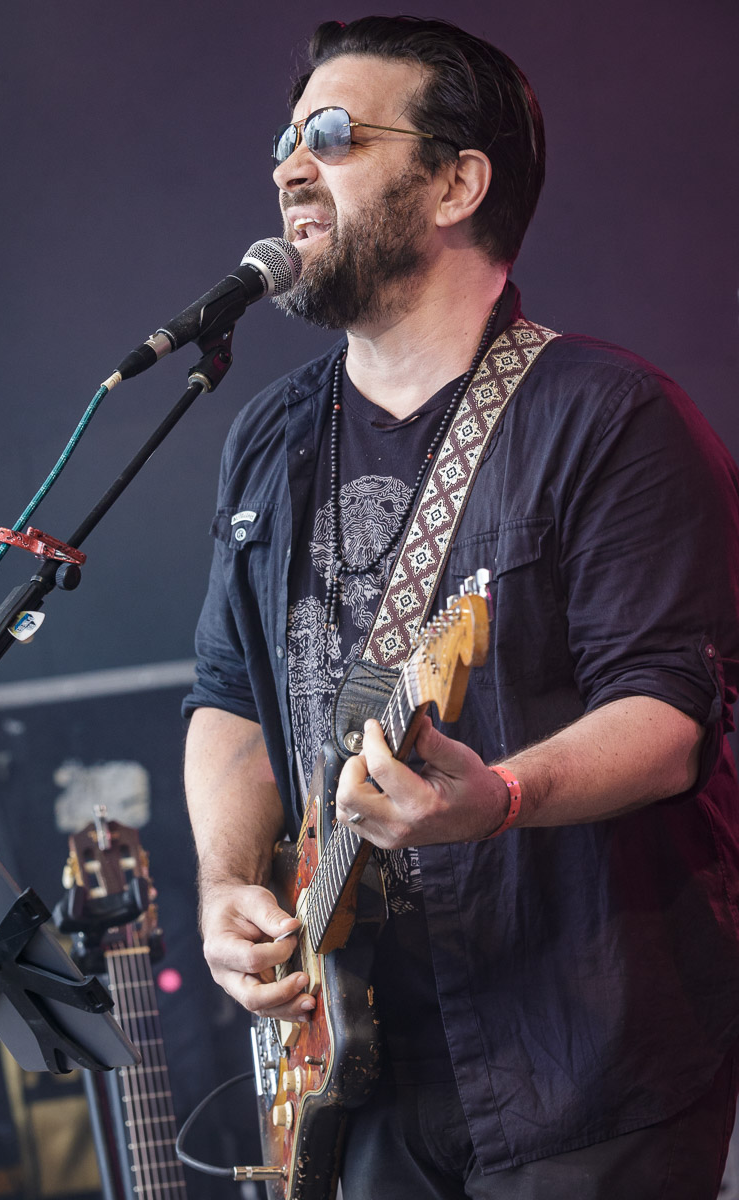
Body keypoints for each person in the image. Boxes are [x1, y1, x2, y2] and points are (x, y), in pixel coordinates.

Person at [183, 16, 739, 1198]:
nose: (287, 165)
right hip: (356, 1066)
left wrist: (495, 798)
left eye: (330, 135)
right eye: (286, 135)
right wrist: (227, 881)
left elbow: (666, 712)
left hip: (582, 1058)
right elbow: (230, 694)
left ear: (454, 181)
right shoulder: (269, 438)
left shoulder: (611, 418)